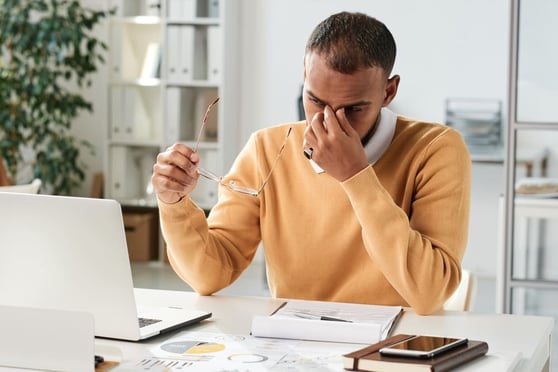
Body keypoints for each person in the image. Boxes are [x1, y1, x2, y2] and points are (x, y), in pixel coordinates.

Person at [152, 11, 471, 315]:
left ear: (389, 91)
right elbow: (210, 275)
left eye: (354, 109)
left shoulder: (436, 149)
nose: (329, 121)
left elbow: (430, 293)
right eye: (315, 100)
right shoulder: (266, 148)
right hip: (296, 347)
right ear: (305, 76)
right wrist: (174, 203)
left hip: (393, 349)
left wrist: (355, 176)